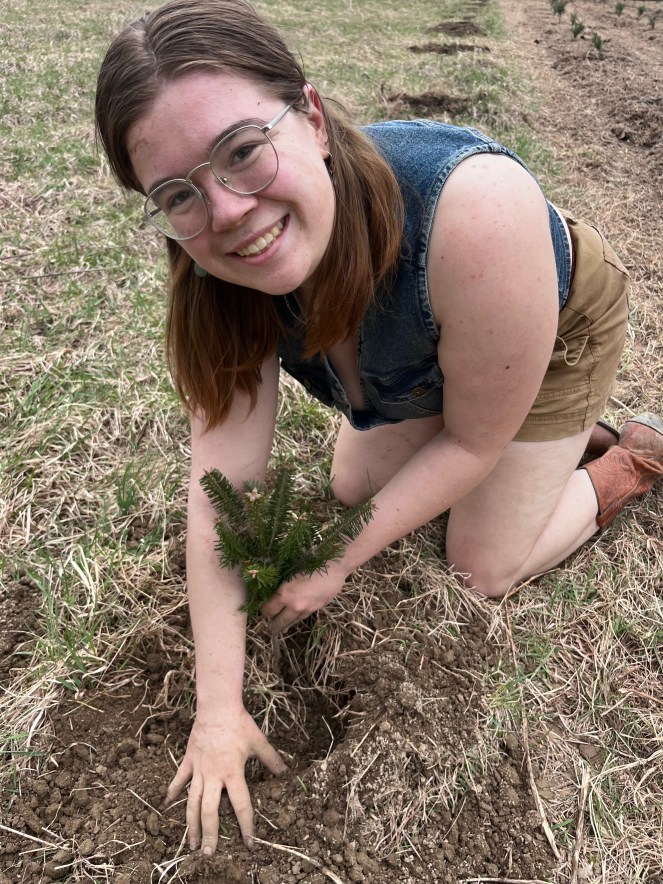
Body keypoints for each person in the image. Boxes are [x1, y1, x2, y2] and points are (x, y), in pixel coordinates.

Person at [95, 0, 663, 857]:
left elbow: (468, 444)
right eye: (178, 194)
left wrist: (336, 561)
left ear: (312, 118)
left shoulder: (471, 208)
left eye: (243, 151)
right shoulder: (218, 283)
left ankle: (625, 459)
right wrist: (218, 709)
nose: (229, 211)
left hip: (543, 324)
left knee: (479, 566)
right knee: (354, 486)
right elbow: (222, 494)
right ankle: (539, 443)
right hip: (439, 356)